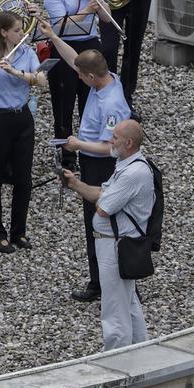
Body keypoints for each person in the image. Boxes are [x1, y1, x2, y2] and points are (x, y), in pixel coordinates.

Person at [39, 23, 132, 303]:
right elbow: (75, 60)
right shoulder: (104, 77)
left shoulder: (112, 103)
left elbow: (109, 147)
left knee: (104, 221)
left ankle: (112, 282)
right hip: (91, 159)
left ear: (91, 76)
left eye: (81, 75)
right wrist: (53, 36)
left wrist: (78, 144)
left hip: (101, 165)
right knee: (94, 223)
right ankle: (99, 280)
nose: (77, 77)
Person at [60, 119, 152, 350]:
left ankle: (118, 360)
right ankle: (142, 352)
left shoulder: (133, 173)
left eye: (115, 138)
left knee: (114, 309)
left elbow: (103, 207)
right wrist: (75, 184)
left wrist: (105, 197)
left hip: (116, 246)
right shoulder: (126, 165)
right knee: (128, 303)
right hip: (114, 243)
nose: (110, 141)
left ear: (128, 143)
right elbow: (100, 193)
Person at [0, 12, 48, 254]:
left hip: (22, 118)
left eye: (22, 29)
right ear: (3, 32)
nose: (21, 33)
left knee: (23, 179)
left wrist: (16, 73)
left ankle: (19, 231)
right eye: (16, 30)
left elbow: (42, 80)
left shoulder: (27, 53)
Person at [43, 0, 109, 170]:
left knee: (91, 101)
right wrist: (85, 10)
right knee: (64, 103)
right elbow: (59, 26)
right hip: (64, 47)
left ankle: (90, 150)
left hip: (90, 45)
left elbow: (106, 18)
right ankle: (67, 157)